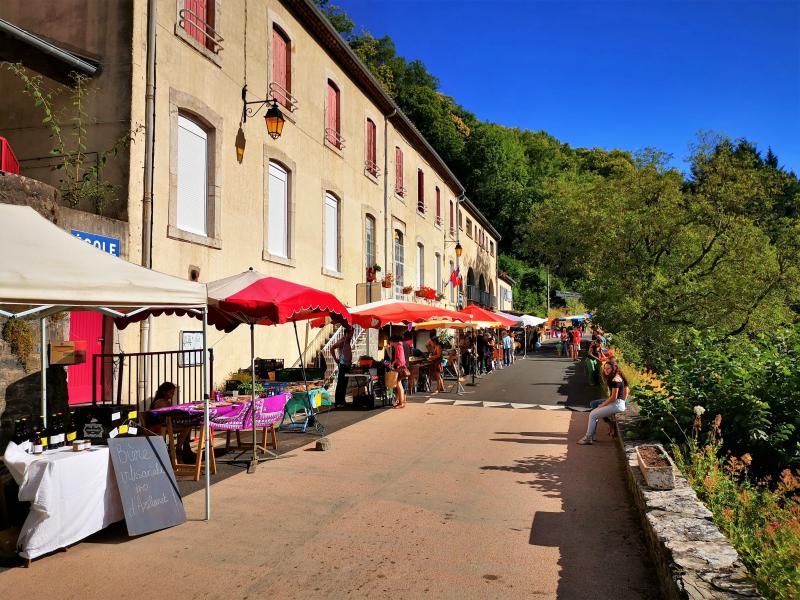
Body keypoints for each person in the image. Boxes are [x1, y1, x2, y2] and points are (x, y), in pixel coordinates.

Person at [578, 360, 629, 444]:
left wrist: (602, 405)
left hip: (617, 404)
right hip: (617, 403)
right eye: (605, 368)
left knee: (593, 415)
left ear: (614, 368)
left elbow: (613, 397)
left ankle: (588, 438)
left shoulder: (615, 380)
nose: (606, 370)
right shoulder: (616, 376)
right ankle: (590, 436)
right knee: (593, 413)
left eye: (608, 368)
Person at [150, 382, 195, 463]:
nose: (173, 394)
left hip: (165, 424)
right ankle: (178, 448)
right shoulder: (161, 402)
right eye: (171, 392)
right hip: (159, 426)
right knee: (188, 425)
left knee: (189, 425)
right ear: (164, 392)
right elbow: (169, 414)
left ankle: (181, 447)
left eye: (173, 392)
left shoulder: (165, 401)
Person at [330, 325, 354, 408]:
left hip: (347, 364)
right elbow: (332, 348)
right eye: (351, 333)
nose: (352, 335)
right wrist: (336, 359)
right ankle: (338, 402)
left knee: (344, 384)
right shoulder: (343, 341)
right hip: (343, 365)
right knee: (341, 383)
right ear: (347, 333)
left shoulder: (347, 341)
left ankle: (342, 401)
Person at [390, 334, 407, 408]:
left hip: (400, 368)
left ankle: (401, 403)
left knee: (399, 385)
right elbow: (398, 358)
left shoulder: (398, 347)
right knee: (400, 385)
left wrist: (395, 366)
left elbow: (400, 359)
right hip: (402, 367)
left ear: (393, 341)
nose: (390, 344)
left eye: (390, 342)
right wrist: (393, 363)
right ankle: (401, 402)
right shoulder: (400, 346)